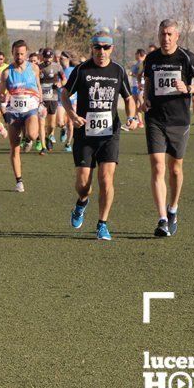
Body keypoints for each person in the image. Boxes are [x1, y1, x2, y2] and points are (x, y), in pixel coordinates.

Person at [62, 32, 137, 240]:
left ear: (112, 49)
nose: (101, 51)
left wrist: (131, 116)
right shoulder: (82, 70)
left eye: (106, 47)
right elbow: (64, 93)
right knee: (83, 184)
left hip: (109, 134)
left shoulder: (118, 71)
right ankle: (81, 203)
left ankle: (102, 223)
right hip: (85, 133)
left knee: (106, 179)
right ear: (92, 48)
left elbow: (129, 98)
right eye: (97, 47)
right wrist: (72, 114)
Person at [140, 19, 194, 237]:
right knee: (158, 167)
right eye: (163, 34)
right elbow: (148, 84)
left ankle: (173, 209)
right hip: (155, 119)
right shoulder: (151, 59)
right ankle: (162, 219)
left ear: (177, 36)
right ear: (159, 35)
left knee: (175, 169)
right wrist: (145, 99)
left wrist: (188, 87)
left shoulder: (186, 57)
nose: (166, 38)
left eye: (170, 34)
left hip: (178, 120)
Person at [0, 40, 41, 192]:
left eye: (22, 54)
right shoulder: (6, 72)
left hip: (30, 109)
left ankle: (28, 138)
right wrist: (3, 98)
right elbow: (1, 94)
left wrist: (40, 101)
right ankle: (19, 181)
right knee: (14, 146)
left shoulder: (34, 68)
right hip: (14, 112)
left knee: (33, 134)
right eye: (17, 54)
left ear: (26, 53)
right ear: (12, 53)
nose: (19, 56)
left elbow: (38, 85)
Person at [37, 48, 66, 155]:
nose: (47, 59)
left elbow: (64, 79)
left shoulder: (57, 67)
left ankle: (48, 137)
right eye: (45, 57)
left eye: (49, 57)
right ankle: (43, 147)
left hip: (53, 98)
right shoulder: (38, 67)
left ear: (52, 57)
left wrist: (60, 84)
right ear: (42, 57)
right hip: (41, 100)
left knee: (52, 125)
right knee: (41, 123)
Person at [130, 49, 147, 128]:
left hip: (139, 85)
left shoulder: (142, 63)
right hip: (135, 85)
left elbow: (140, 74)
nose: (135, 55)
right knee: (136, 104)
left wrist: (132, 73)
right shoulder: (137, 64)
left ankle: (138, 120)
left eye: (136, 54)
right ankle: (138, 121)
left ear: (139, 54)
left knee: (140, 103)